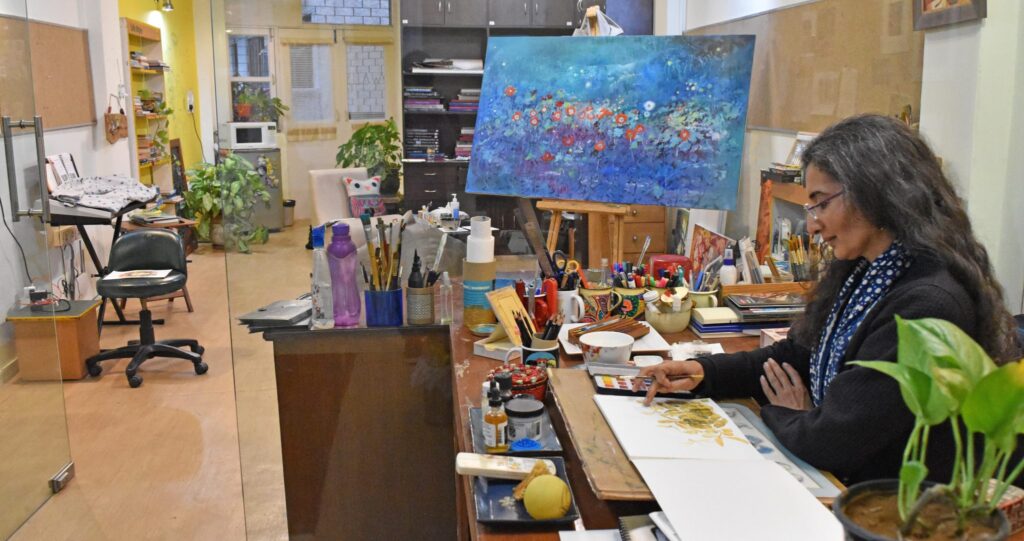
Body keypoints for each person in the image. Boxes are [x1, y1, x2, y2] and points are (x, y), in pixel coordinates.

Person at [638, 114, 1021, 485]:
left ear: (874, 193)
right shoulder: (868, 269)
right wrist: (704, 372)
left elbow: (837, 439)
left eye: (821, 203)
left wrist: (789, 413)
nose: (812, 224)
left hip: (884, 502)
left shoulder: (927, 302)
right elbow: (796, 355)